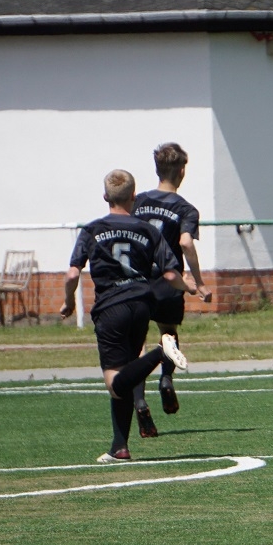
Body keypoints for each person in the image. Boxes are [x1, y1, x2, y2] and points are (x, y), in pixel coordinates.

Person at [60, 169, 196, 462]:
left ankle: (161, 352)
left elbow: (72, 274)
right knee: (127, 372)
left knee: (116, 382)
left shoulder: (92, 229)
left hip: (112, 308)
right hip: (141, 306)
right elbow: (170, 273)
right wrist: (189, 285)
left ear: (105, 197)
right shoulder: (148, 230)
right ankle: (119, 447)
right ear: (133, 196)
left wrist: (69, 301)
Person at [131, 143, 212, 427]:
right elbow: (186, 242)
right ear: (181, 172)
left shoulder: (137, 202)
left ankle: (139, 402)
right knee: (168, 333)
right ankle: (166, 378)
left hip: (137, 279)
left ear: (157, 170)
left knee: (136, 344)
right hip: (168, 280)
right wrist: (198, 283)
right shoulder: (185, 209)